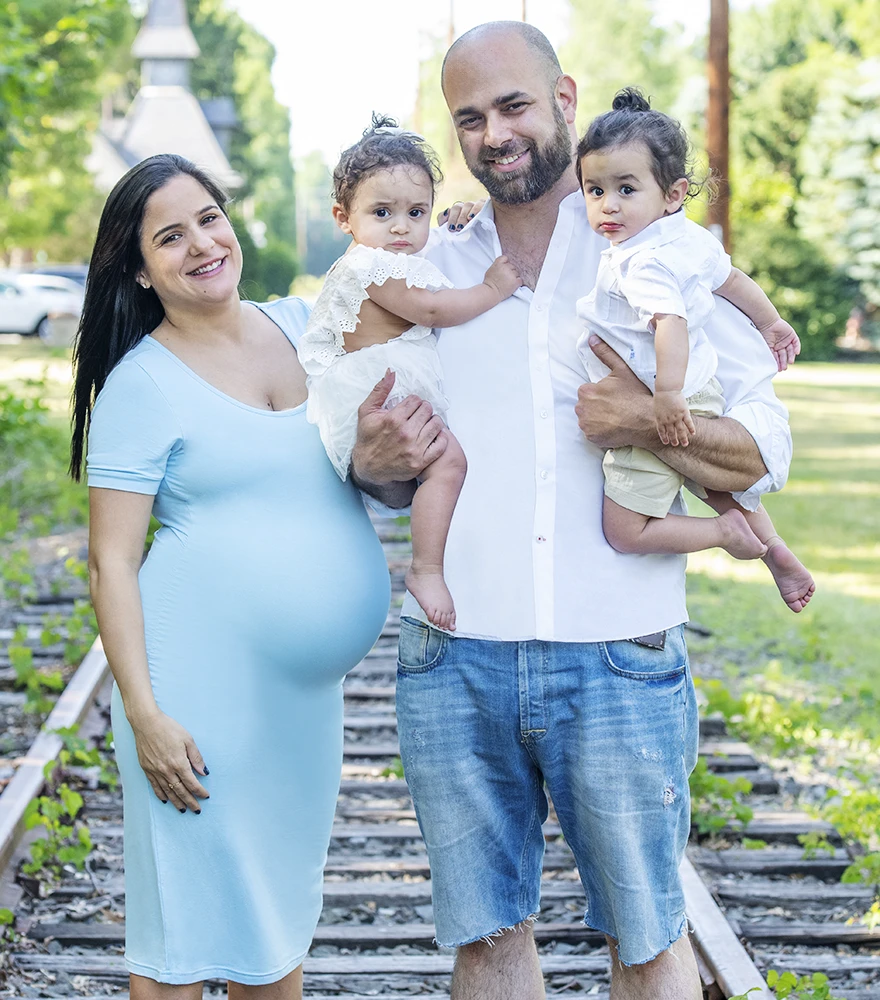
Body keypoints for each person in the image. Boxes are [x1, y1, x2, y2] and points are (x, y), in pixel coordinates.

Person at [349, 21, 793, 1000]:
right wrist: (370, 462)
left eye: (512, 106)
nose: (493, 135)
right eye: (469, 119)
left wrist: (651, 421)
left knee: (646, 943)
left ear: (563, 98)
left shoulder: (660, 251)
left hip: (618, 651)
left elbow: (766, 452)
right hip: (454, 658)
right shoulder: (429, 266)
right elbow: (384, 465)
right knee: (488, 945)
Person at [70, 153, 390, 999]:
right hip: (195, 695)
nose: (202, 244)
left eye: (209, 218)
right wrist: (144, 715)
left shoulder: (302, 324)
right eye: (170, 237)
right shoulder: (142, 384)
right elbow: (111, 563)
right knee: (181, 945)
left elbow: (420, 307)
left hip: (298, 706)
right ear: (140, 269)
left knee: (273, 929)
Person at [576, 88, 815, 613]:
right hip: (699, 388)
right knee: (721, 486)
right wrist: (772, 322)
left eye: (625, 189)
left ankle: (723, 536)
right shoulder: (687, 238)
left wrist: (664, 395)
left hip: (658, 393)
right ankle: (774, 550)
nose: (607, 204)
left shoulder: (640, 261)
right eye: (594, 190)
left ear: (673, 193)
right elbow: (732, 280)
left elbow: (670, 323)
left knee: (625, 531)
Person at [299, 115, 520, 631]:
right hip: (381, 392)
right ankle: (426, 571)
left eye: (416, 212)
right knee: (449, 465)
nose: (401, 226)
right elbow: (436, 310)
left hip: (378, 387)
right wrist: (493, 288)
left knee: (443, 467)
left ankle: (431, 565)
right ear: (343, 217)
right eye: (382, 212)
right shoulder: (371, 266)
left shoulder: (388, 258)